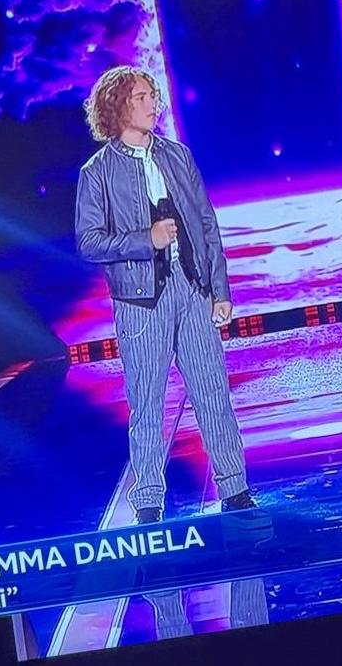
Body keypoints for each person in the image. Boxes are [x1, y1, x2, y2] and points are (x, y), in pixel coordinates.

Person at [75, 66, 254, 524]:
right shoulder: (97, 173)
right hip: (140, 302)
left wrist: (219, 289)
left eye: (153, 95)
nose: (153, 104)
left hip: (190, 288)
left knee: (212, 392)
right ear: (117, 106)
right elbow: (89, 242)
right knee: (148, 404)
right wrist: (146, 240)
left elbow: (207, 223)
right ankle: (149, 501)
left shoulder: (177, 156)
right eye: (141, 97)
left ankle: (235, 488)